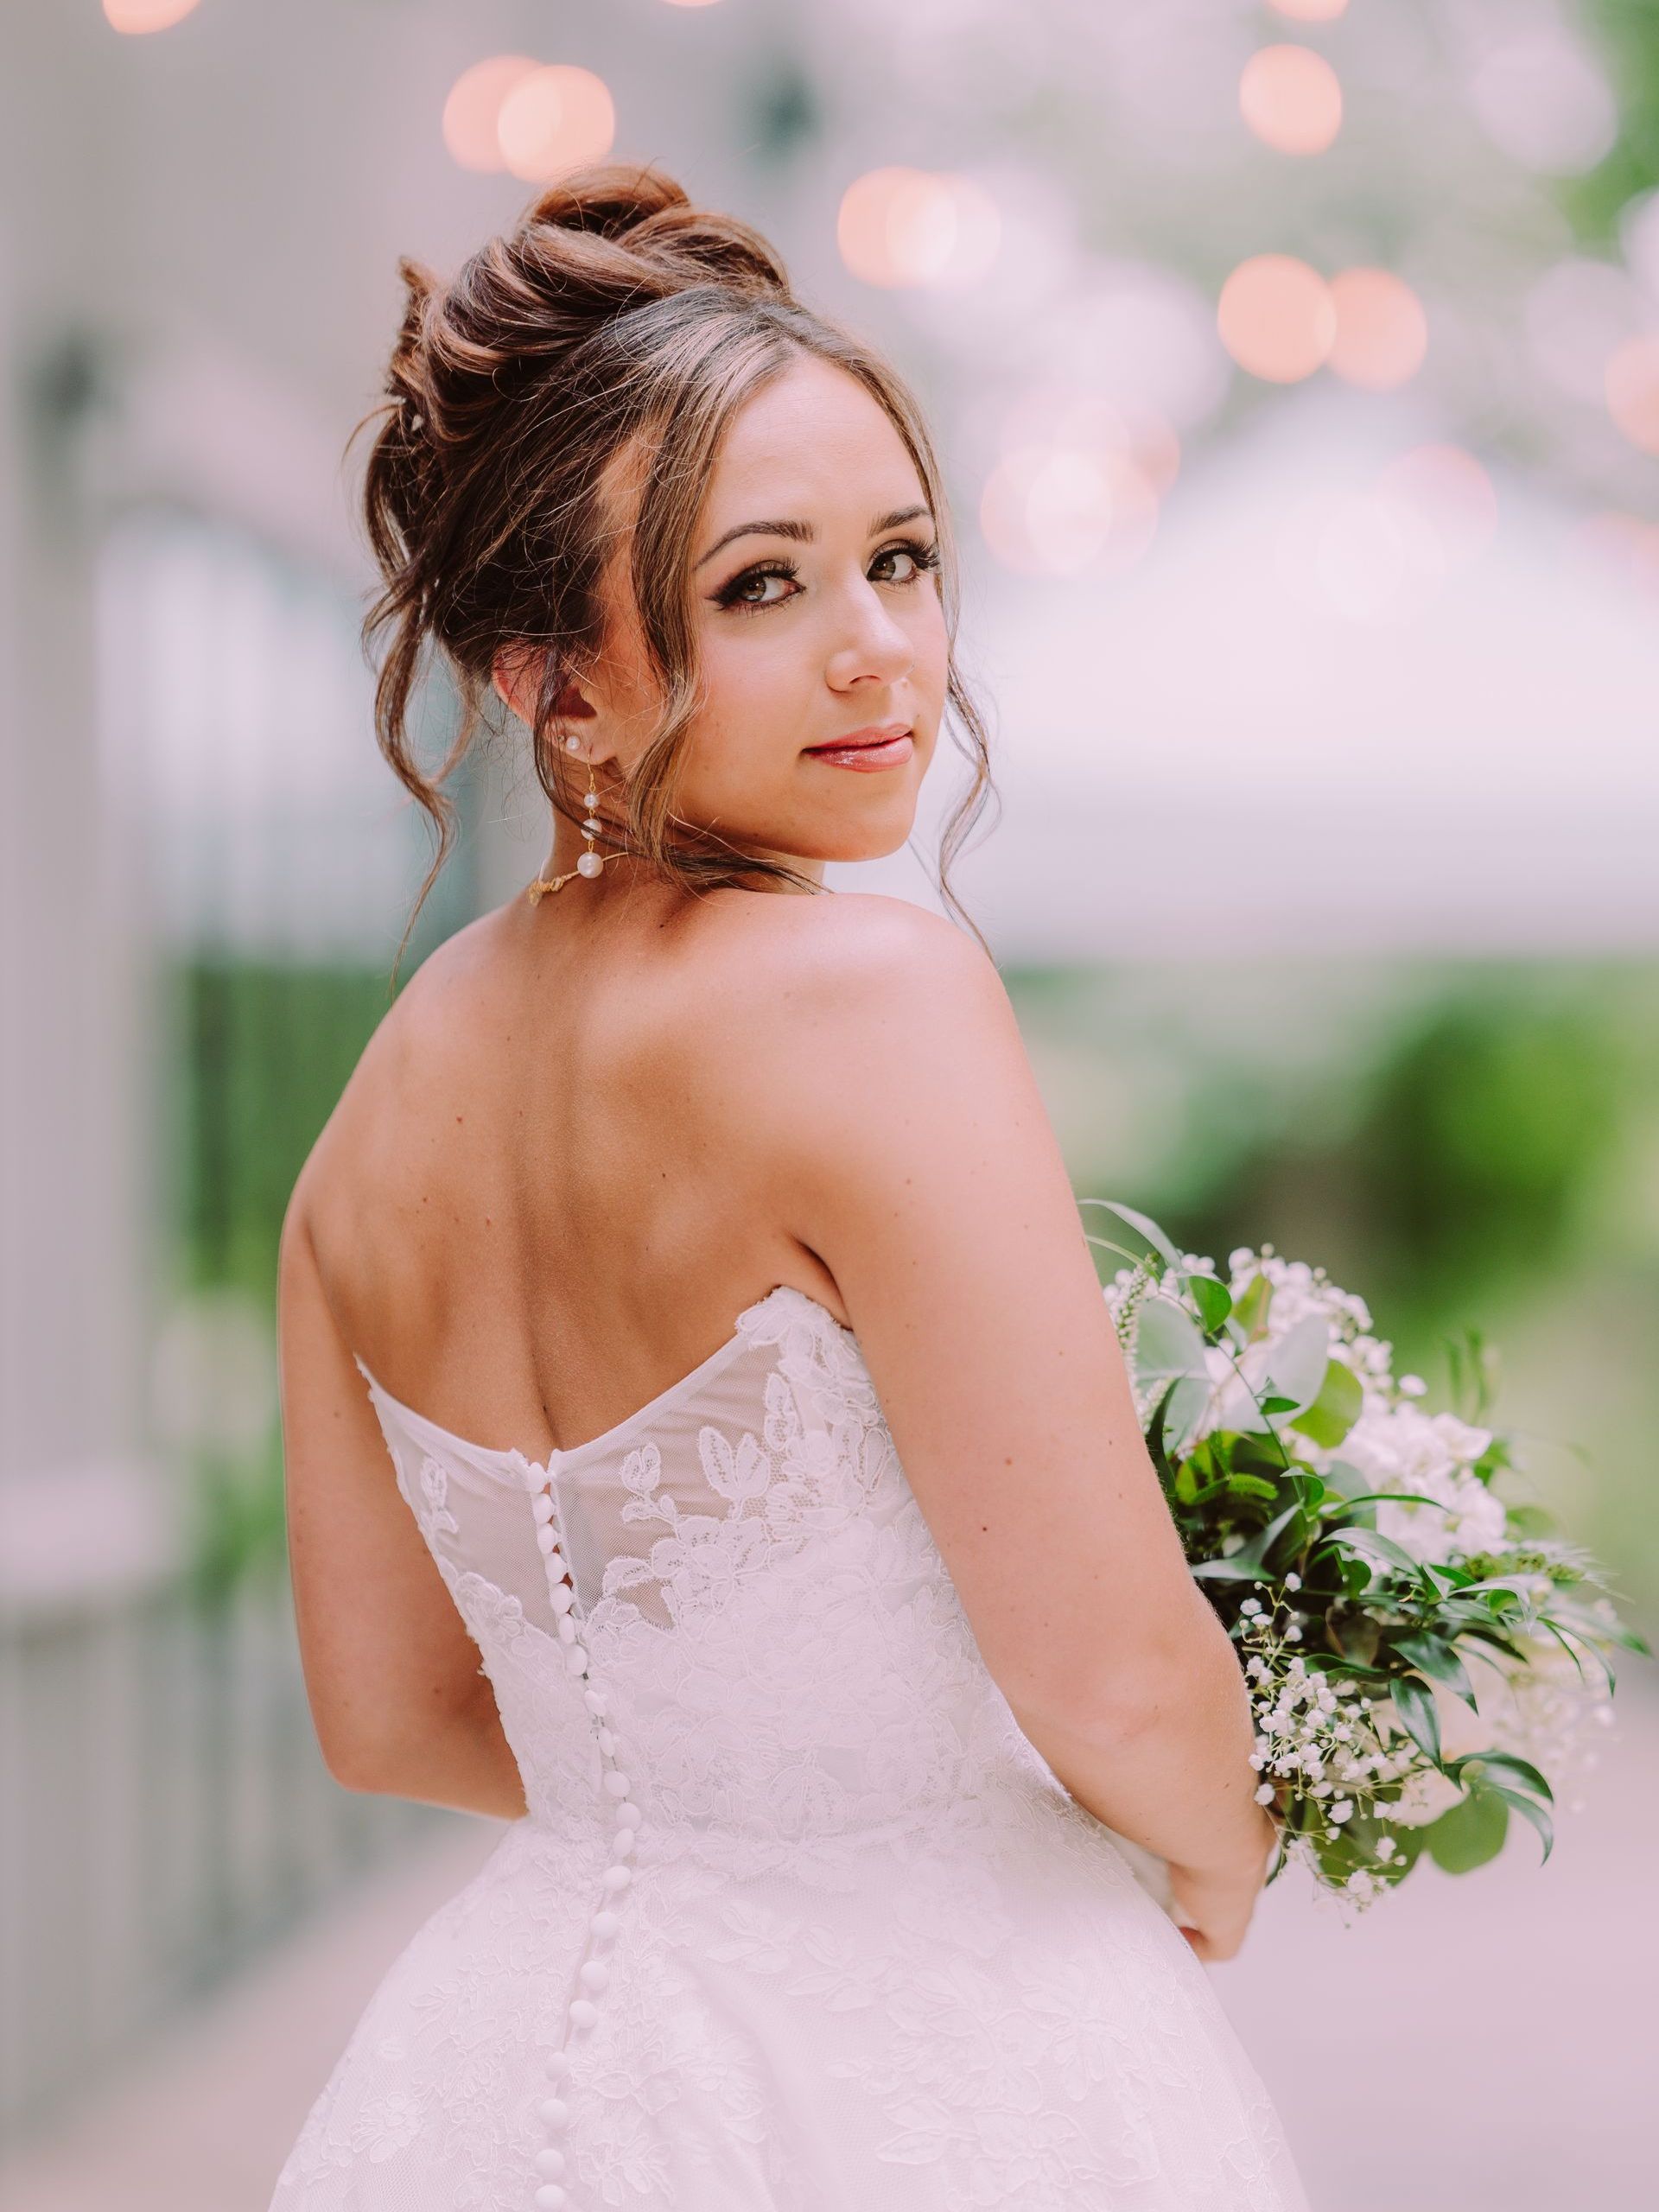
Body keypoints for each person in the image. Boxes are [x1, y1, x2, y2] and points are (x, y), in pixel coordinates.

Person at [270, 162, 1309, 2211]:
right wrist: (1222, 1835)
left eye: (902, 559)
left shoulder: (369, 1119)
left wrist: (693, 1814)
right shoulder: (871, 991)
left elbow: (387, 1713)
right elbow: (1109, 1668)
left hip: (496, 2071)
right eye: (763, 584)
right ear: (549, 677)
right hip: (932, 2054)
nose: (876, 651)